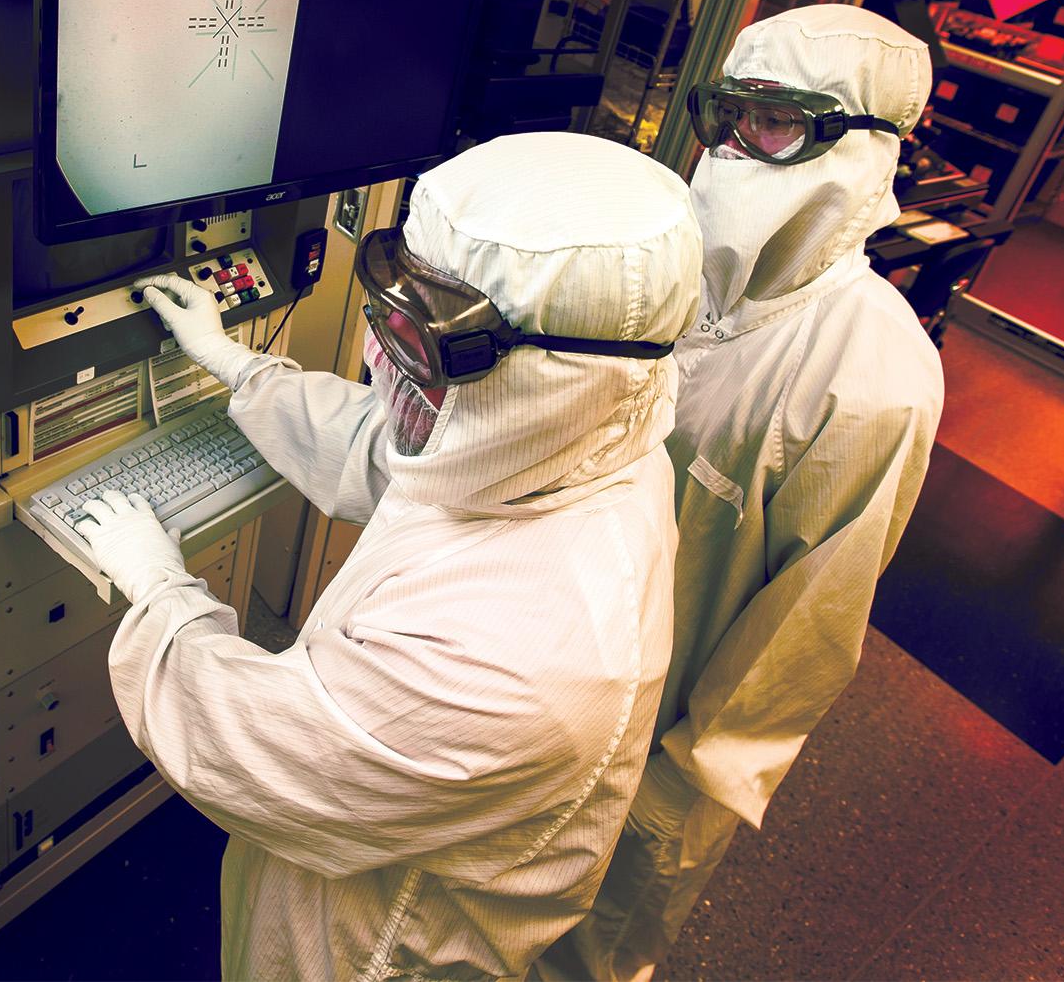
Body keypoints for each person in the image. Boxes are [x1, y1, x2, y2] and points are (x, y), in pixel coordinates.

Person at [69, 132, 704, 979]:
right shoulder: (580, 440)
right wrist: (235, 365)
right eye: (388, 313)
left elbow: (255, 745)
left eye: (414, 348)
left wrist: (158, 588)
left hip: (373, 945)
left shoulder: (521, 665)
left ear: (548, 382)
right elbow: (404, 451)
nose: (374, 361)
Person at [548, 4, 946, 980]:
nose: (729, 148)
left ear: (864, 148)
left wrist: (673, 793)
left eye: (773, 121)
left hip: (647, 757)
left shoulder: (870, 378)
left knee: (572, 960)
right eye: (722, 112)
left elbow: (803, 633)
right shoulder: (669, 274)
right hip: (539, 681)